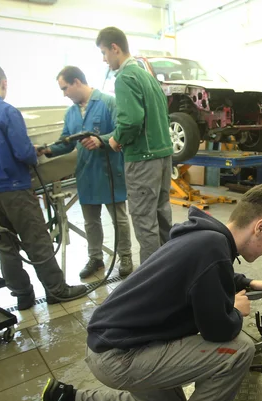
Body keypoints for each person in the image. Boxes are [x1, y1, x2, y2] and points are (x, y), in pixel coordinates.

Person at [40, 183, 262, 401]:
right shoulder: (212, 249)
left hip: (114, 343)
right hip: (120, 356)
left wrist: (248, 283)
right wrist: (234, 311)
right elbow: (217, 331)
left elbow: (207, 274)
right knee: (239, 350)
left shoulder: (205, 238)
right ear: (260, 226)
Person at [0, 61, 87, 310]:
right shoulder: (6, 112)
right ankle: (56, 290)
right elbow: (24, 153)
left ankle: (23, 295)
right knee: (36, 239)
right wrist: (33, 151)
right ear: (4, 83)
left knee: (5, 245)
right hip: (13, 187)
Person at [40, 66, 133, 278]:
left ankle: (125, 255)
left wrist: (100, 140)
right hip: (85, 174)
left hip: (110, 171)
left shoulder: (108, 103)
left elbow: (122, 131)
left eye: (65, 88)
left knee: (119, 219)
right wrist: (47, 149)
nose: (64, 94)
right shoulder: (71, 113)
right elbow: (66, 142)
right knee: (91, 221)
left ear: (77, 82)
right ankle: (95, 258)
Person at [96, 26, 174, 265]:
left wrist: (115, 138)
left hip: (143, 159)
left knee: (144, 220)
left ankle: (154, 281)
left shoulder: (125, 77)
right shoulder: (147, 77)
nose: (104, 59)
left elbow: (130, 121)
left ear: (115, 48)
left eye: (104, 53)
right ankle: (173, 267)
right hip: (163, 156)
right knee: (162, 217)